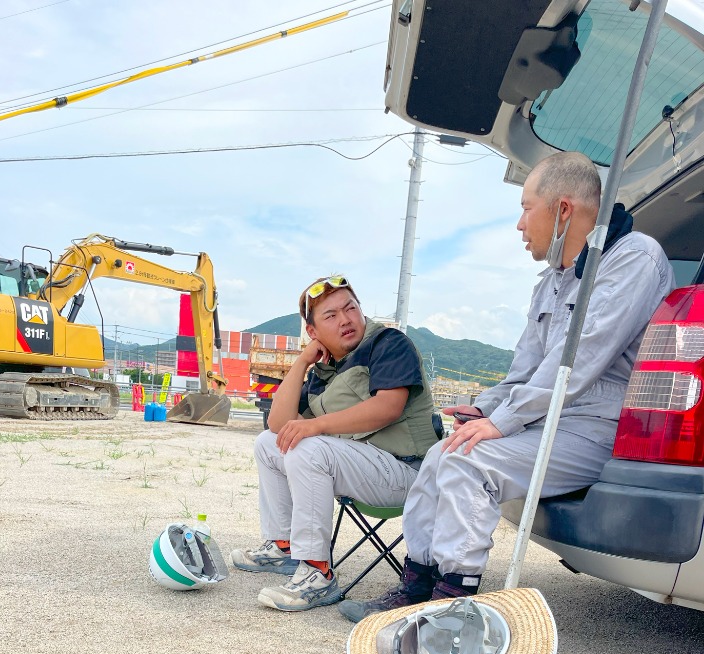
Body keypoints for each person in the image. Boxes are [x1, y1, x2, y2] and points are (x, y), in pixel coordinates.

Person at [339, 150, 675, 623]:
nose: (520, 225)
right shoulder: (553, 281)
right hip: (547, 423)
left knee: (469, 464)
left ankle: (451, 607)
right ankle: (416, 585)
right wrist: (485, 410)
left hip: (596, 427)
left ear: (563, 209)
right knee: (442, 454)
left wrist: (504, 423)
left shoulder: (632, 258)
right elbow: (525, 369)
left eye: (525, 208)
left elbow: (578, 358)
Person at [231, 276, 439, 611]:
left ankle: (318, 574)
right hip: (365, 469)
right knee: (268, 444)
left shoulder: (388, 343)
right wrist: (302, 362)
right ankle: (285, 547)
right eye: (331, 315)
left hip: (409, 471)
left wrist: (315, 425)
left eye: (350, 308)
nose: (345, 319)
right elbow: (277, 424)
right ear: (313, 332)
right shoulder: (324, 371)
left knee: (307, 446)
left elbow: (388, 406)